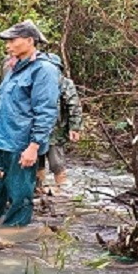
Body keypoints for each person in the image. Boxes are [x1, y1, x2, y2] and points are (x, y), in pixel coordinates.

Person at [0, 20, 59, 226]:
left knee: (20, 194)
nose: (8, 45)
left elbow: (46, 111)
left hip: (20, 143)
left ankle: (14, 234)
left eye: (12, 40)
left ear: (30, 41)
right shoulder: (12, 67)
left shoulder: (44, 70)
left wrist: (34, 146)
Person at [36, 52, 83, 196]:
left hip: (55, 129)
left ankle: (62, 188)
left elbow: (74, 105)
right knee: (37, 161)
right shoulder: (35, 81)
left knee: (56, 161)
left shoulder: (64, 83)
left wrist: (74, 127)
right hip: (36, 128)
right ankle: (38, 188)